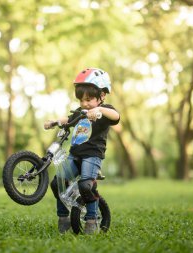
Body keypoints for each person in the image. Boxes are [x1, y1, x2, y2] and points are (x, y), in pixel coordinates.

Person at [44, 68, 120, 234]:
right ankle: (63, 217)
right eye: (81, 100)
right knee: (58, 183)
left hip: (92, 156)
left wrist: (99, 110)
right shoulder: (81, 112)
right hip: (75, 154)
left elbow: (116, 116)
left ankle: (91, 220)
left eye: (89, 99)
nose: (85, 103)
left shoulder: (105, 110)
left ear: (102, 96)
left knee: (86, 186)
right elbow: (68, 120)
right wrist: (55, 122)